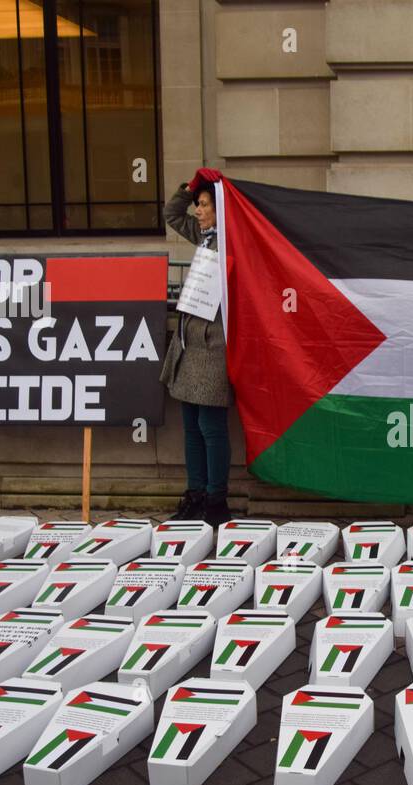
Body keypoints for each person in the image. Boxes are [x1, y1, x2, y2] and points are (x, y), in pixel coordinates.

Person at [162, 168, 232, 526]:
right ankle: (196, 493)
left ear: (221, 209)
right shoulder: (202, 236)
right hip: (190, 344)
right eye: (198, 204)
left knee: (210, 425)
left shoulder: (233, 242)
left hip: (214, 345)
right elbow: (171, 214)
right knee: (191, 423)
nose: (198, 211)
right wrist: (189, 186)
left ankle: (217, 500)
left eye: (204, 204)